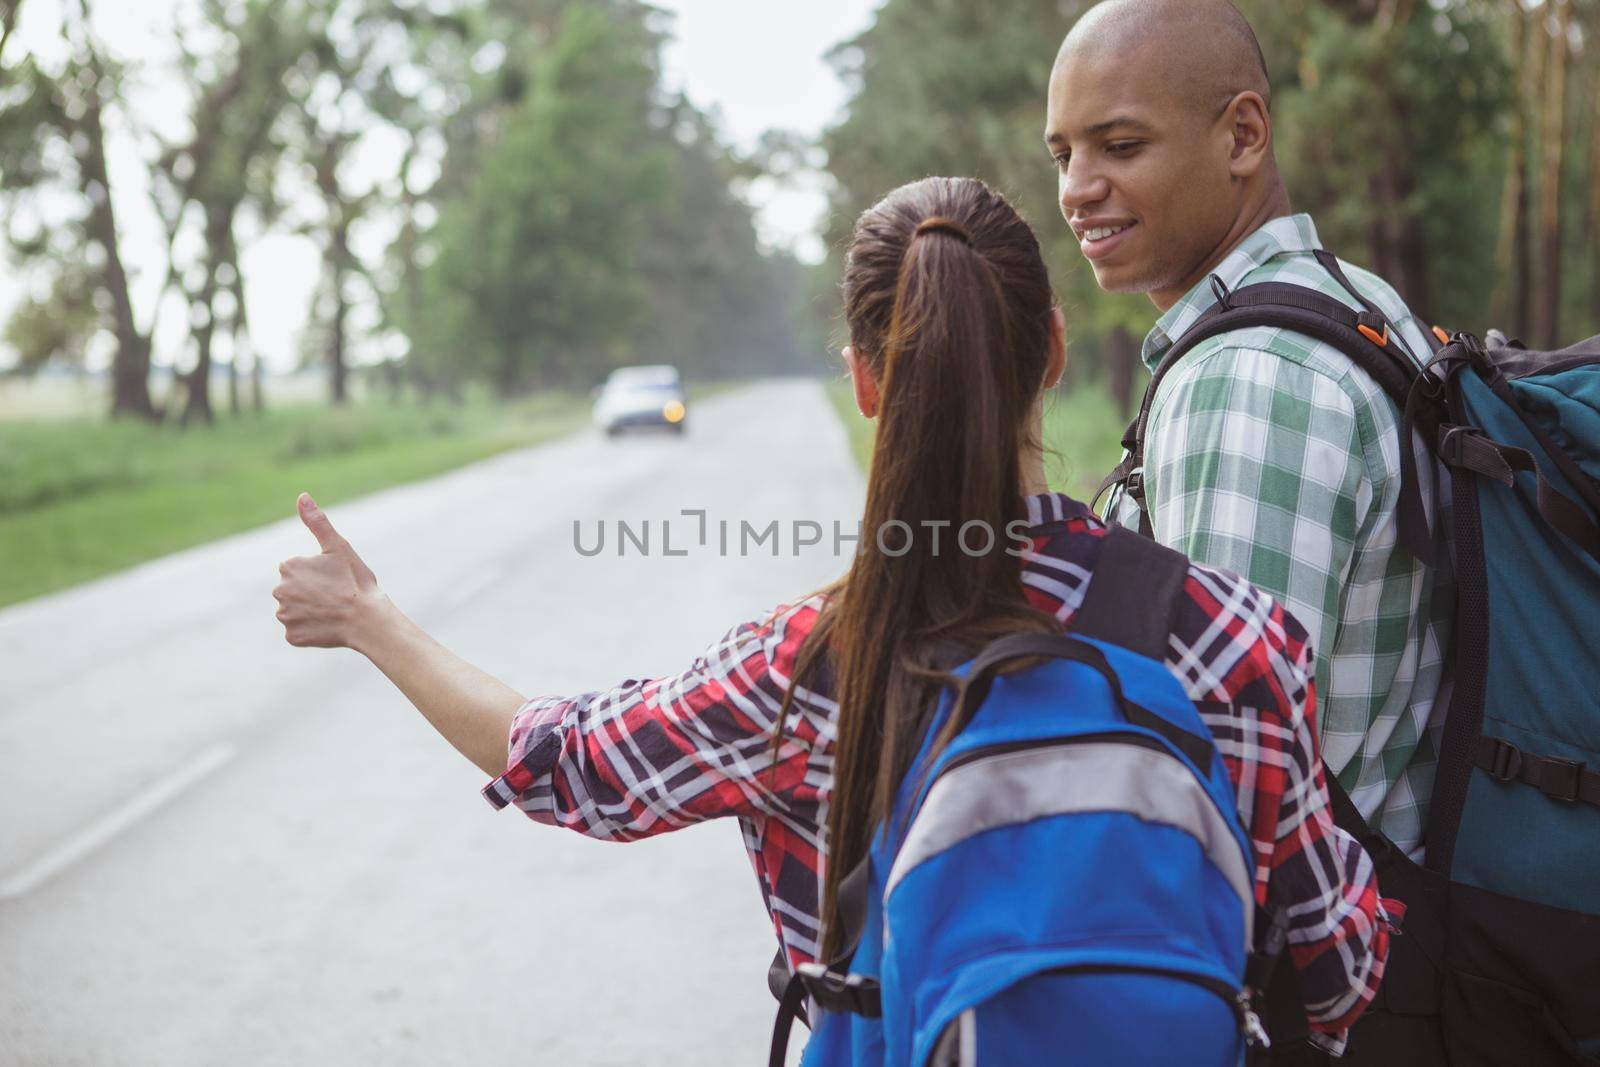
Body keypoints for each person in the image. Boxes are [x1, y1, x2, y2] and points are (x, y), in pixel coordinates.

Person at [272, 176, 1390, 1049]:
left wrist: (373, 618)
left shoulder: (806, 669)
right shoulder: (1228, 636)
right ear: (1049, 350)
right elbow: (1335, 978)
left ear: (864, 379)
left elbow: (561, 758)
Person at [1045, 1, 1448, 1059]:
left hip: (1315, 1005)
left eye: (1118, 144)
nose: (1076, 187)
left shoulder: (1248, 378)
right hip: (1396, 940)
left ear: (1241, 136)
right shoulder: (1350, 301)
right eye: (1063, 151)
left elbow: (1222, 776)